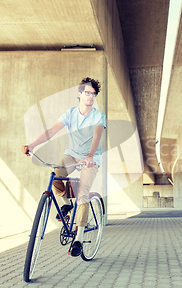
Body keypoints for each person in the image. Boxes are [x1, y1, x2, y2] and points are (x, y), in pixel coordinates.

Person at [22, 77, 106, 257]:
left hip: (90, 159)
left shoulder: (98, 116)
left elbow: (97, 136)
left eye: (93, 94)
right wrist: (33, 145)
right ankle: (67, 205)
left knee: (83, 193)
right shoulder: (70, 114)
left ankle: (79, 240)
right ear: (79, 94)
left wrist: (90, 156)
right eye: (87, 93)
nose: (90, 97)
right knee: (57, 177)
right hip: (72, 155)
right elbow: (51, 131)